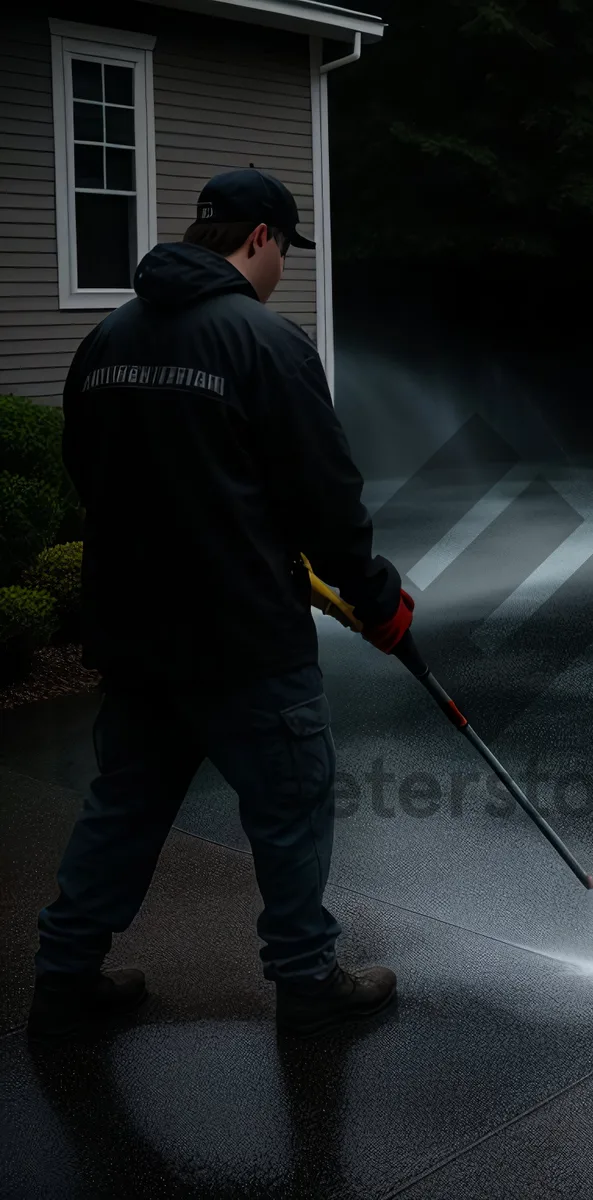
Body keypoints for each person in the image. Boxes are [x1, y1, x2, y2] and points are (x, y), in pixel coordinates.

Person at [27, 168, 414, 1041]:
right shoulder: (265, 345)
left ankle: (62, 981)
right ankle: (308, 983)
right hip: (242, 639)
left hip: (133, 637)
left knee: (124, 806)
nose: (283, 270)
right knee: (290, 803)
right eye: (285, 252)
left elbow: (92, 477)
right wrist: (379, 600)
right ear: (263, 238)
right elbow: (326, 499)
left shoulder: (105, 341)